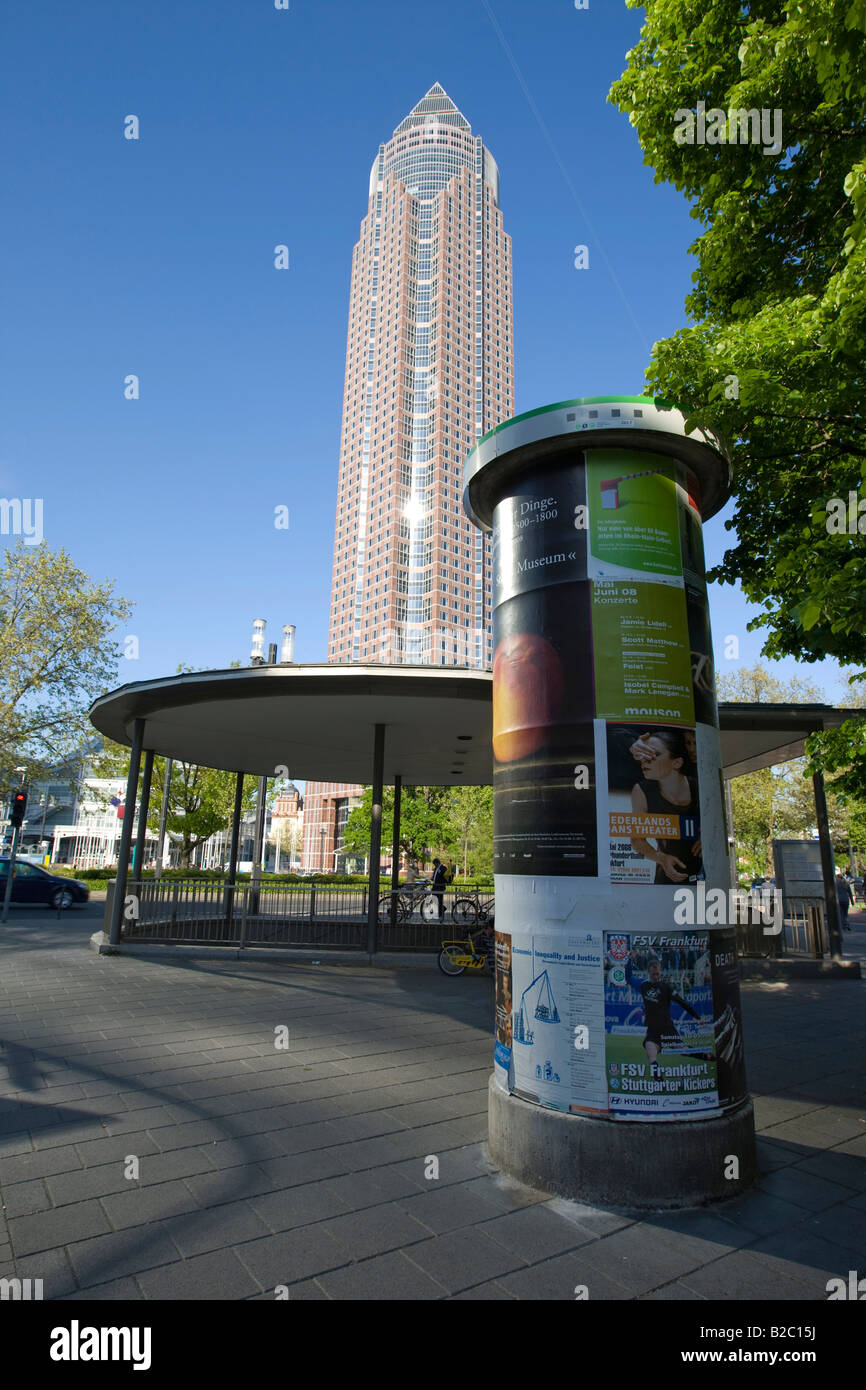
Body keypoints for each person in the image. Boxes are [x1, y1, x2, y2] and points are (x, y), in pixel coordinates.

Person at [628, 731, 702, 884]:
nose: (645, 760)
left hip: (704, 876)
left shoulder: (700, 787)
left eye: (653, 754)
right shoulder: (641, 791)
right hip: (666, 878)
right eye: (643, 753)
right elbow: (637, 840)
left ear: (677, 763)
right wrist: (661, 858)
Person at [640, 959, 706, 1076]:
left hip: (666, 1027)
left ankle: (706, 1056)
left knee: (682, 1050)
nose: (656, 976)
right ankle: (657, 1073)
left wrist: (697, 1017)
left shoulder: (666, 988)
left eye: (658, 973)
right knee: (650, 1049)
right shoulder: (644, 986)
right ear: (648, 973)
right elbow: (629, 977)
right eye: (653, 974)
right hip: (652, 1028)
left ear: (661, 972)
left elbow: (682, 1002)